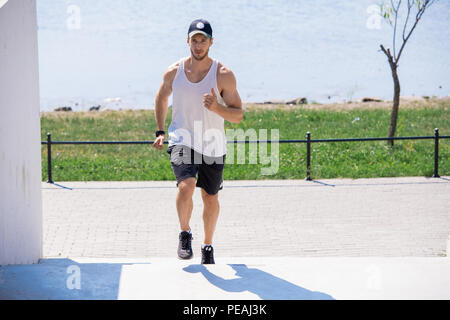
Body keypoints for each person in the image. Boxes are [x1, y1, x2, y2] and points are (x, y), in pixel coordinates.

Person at [152, 19, 243, 264]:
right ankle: (185, 233)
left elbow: (238, 115)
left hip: (213, 143)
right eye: (195, 40)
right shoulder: (174, 71)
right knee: (186, 185)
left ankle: (208, 246)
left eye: (203, 40)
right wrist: (160, 131)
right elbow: (161, 98)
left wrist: (217, 107)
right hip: (182, 138)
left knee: (210, 197)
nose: (199, 45)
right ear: (187, 41)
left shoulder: (223, 75)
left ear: (211, 42)